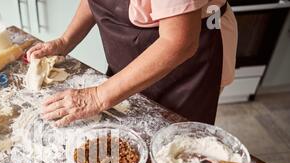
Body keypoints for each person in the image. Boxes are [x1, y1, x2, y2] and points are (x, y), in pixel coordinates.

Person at [26, 0, 237, 127]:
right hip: (134, 51)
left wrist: (98, 96)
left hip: (189, 64)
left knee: (177, 143)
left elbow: (179, 42)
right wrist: (66, 41)